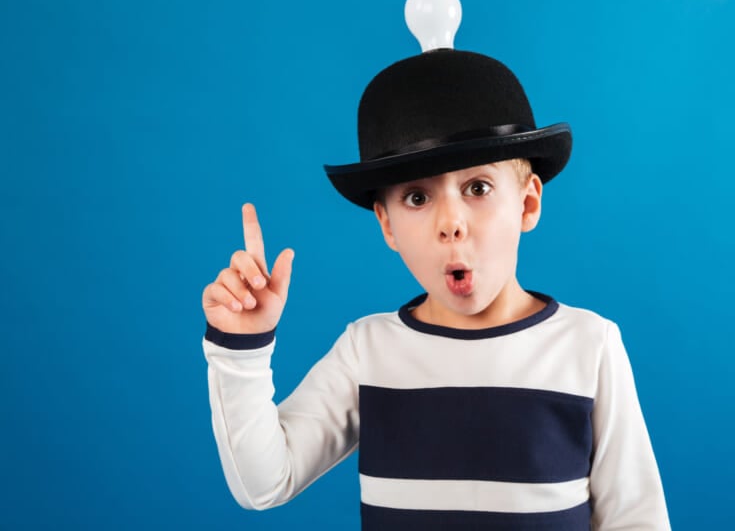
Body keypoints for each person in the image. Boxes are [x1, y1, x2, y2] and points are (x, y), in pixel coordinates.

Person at [201, 45, 671, 530]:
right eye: (418, 197)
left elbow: (637, 519)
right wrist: (241, 348)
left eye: (478, 188)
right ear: (387, 225)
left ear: (527, 204)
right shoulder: (368, 352)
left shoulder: (588, 347)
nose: (451, 223)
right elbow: (263, 482)